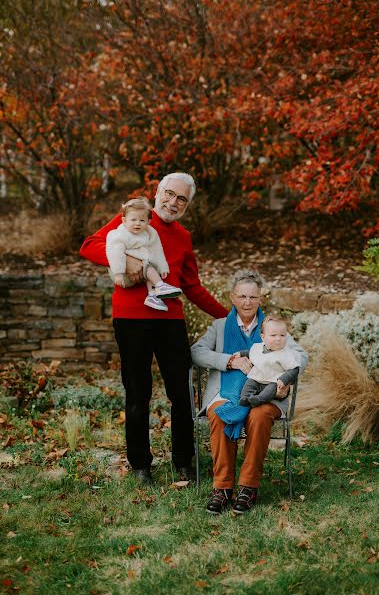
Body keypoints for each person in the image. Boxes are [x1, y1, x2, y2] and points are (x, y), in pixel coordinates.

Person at [80, 172, 228, 485]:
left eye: (181, 199)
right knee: (138, 393)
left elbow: (192, 286)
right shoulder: (133, 220)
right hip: (131, 319)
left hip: (170, 321)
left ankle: (183, 461)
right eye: (169, 194)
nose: (173, 202)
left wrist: (228, 316)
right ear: (157, 192)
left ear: (186, 206)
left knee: (182, 393)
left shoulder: (184, 237)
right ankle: (140, 464)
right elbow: (89, 245)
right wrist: (127, 263)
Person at [191, 269, 308, 515]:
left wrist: (285, 376)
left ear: (260, 299)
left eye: (253, 297)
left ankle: (248, 487)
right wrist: (229, 361)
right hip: (226, 390)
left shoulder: (271, 328)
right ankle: (222, 488)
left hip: (267, 392)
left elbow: (300, 355)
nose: (247, 302)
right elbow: (196, 352)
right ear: (232, 298)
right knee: (220, 413)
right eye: (242, 296)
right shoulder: (220, 326)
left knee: (258, 416)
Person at [106, 196, 182, 311]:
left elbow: (157, 249)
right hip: (123, 274)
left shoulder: (149, 233)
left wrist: (162, 267)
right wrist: (118, 273)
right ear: (124, 220)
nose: (138, 223)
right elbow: (115, 253)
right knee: (148, 264)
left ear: (148, 222)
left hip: (141, 272)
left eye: (142, 220)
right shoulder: (120, 234)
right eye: (133, 220)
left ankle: (152, 295)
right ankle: (160, 285)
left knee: (151, 262)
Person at [239, 315, 301, 408]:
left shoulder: (285, 353)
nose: (278, 338)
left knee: (270, 390)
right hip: (257, 378)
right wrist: (241, 354)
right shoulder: (258, 347)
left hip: (273, 381)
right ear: (263, 337)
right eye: (273, 335)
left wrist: (284, 379)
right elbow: (251, 353)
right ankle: (245, 398)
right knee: (249, 384)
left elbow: (294, 369)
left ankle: (258, 399)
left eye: (282, 335)